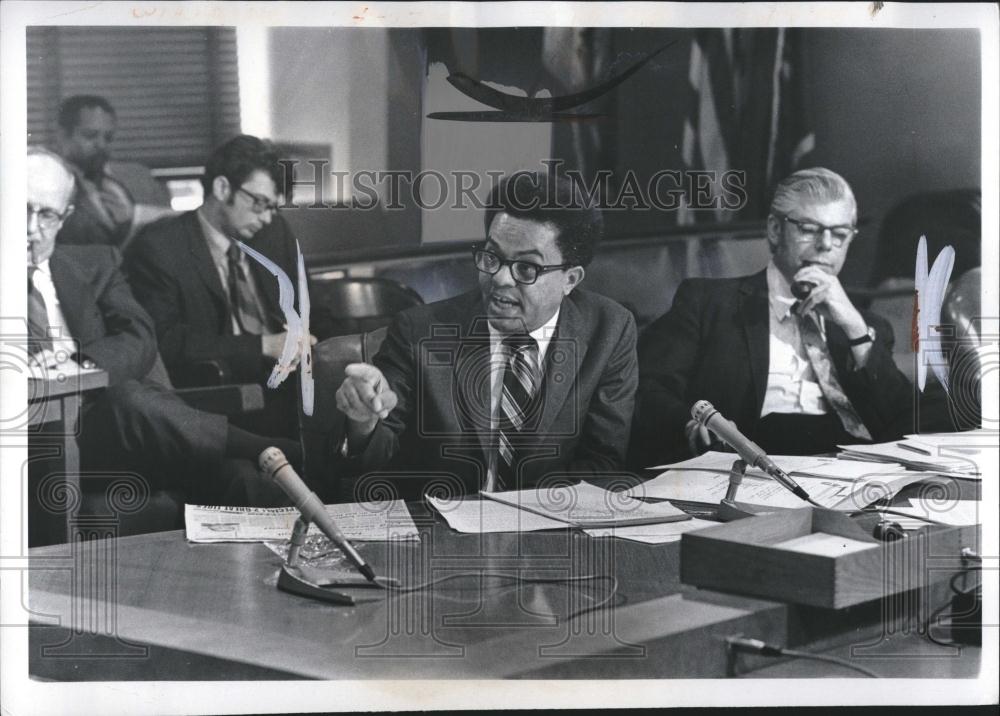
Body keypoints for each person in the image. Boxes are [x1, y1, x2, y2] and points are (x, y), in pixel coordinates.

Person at [26, 148, 295, 523]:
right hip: (42, 440)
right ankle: (276, 450)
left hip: (127, 433)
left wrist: (80, 365)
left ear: (64, 218)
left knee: (241, 480)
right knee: (127, 396)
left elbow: (140, 336)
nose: (30, 229)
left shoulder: (94, 263)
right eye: (20, 209)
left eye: (47, 214)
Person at [334, 172, 638, 499]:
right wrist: (364, 420)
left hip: (549, 528)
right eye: (492, 257)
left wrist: (525, 514)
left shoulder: (610, 330)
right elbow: (374, 458)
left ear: (570, 279)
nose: (500, 278)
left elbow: (604, 463)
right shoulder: (419, 332)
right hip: (443, 534)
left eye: (526, 268)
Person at [632, 167, 913, 466]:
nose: (826, 244)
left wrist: (855, 327)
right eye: (808, 229)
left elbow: (899, 424)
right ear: (775, 230)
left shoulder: (866, 327)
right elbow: (650, 389)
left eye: (840, 234)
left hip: (846, 469)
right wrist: (693, 424)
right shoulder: (708, 303)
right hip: (745, 465)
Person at [125, 135, 334, 438]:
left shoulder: (275, 234)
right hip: (221, 398)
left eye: (274, 207)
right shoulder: (160, 247)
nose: (267, 218)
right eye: (260, 204)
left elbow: (311, 308)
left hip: (292, 381)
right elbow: (164, 342)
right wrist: (263, 346)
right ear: (222, 188)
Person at [52, 94, 175, 248]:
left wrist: (134, 217)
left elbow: (172, 231)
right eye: (90, 136)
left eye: (108, 137)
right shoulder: (46, 183)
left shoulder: (140, 177)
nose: (101, 145)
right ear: (62, 136)